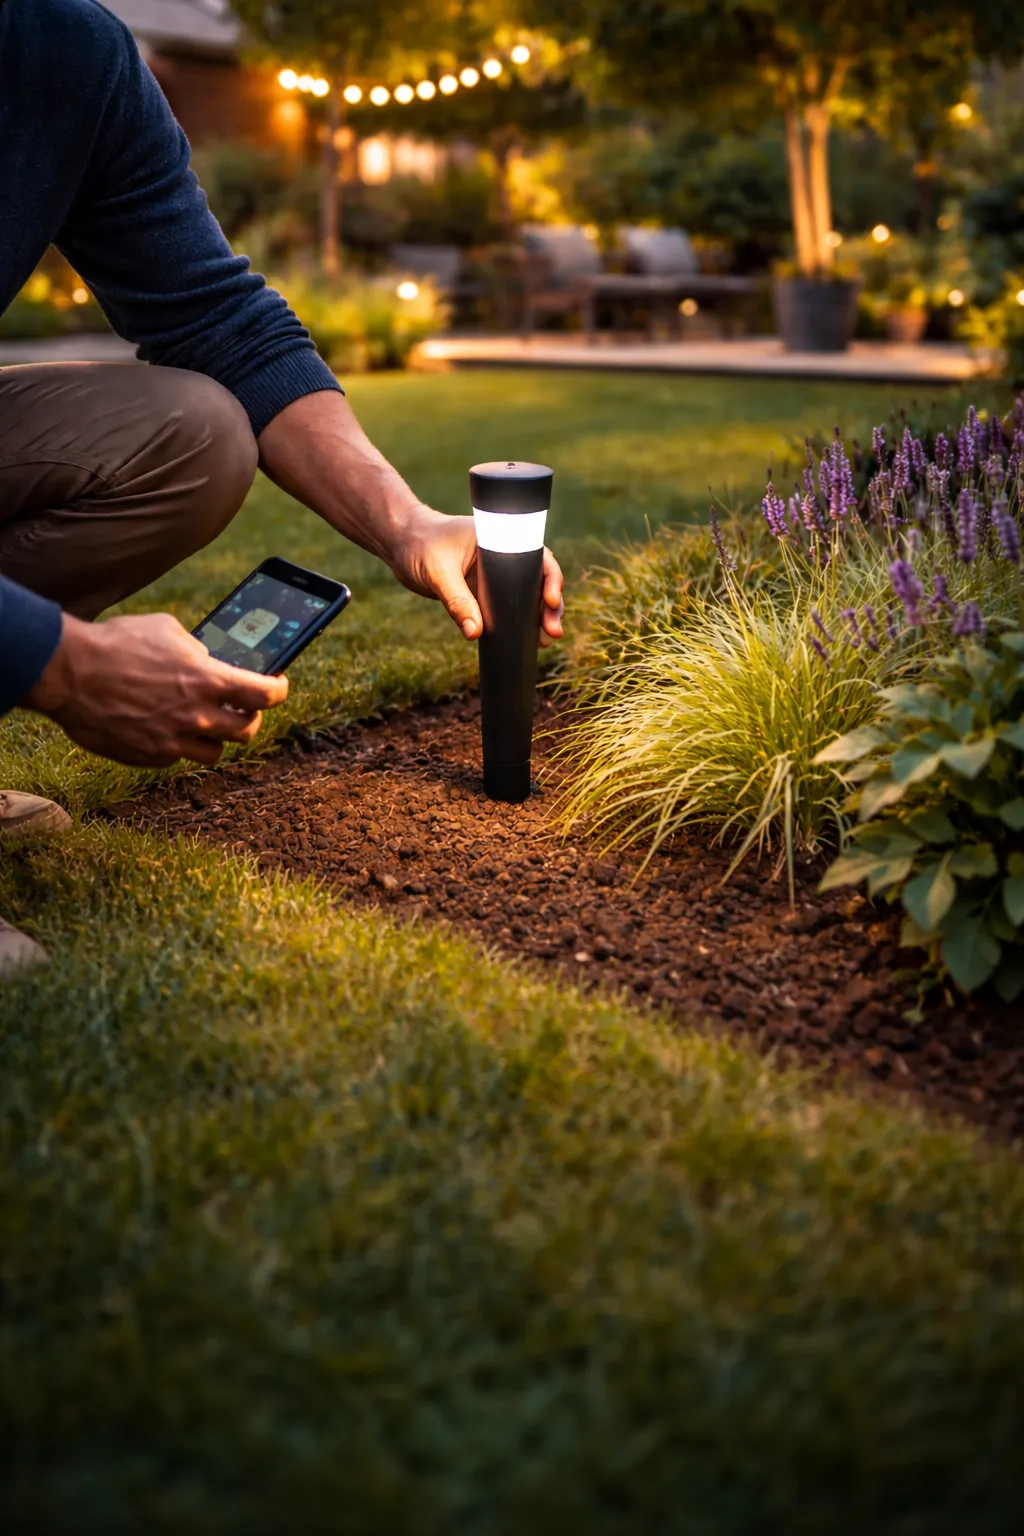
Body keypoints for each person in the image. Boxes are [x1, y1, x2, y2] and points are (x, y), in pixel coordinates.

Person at [0, 0, 564, 973]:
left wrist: (404, 522)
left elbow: (219, 320)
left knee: (197, 433)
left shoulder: (65, 48)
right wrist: (58, 661)